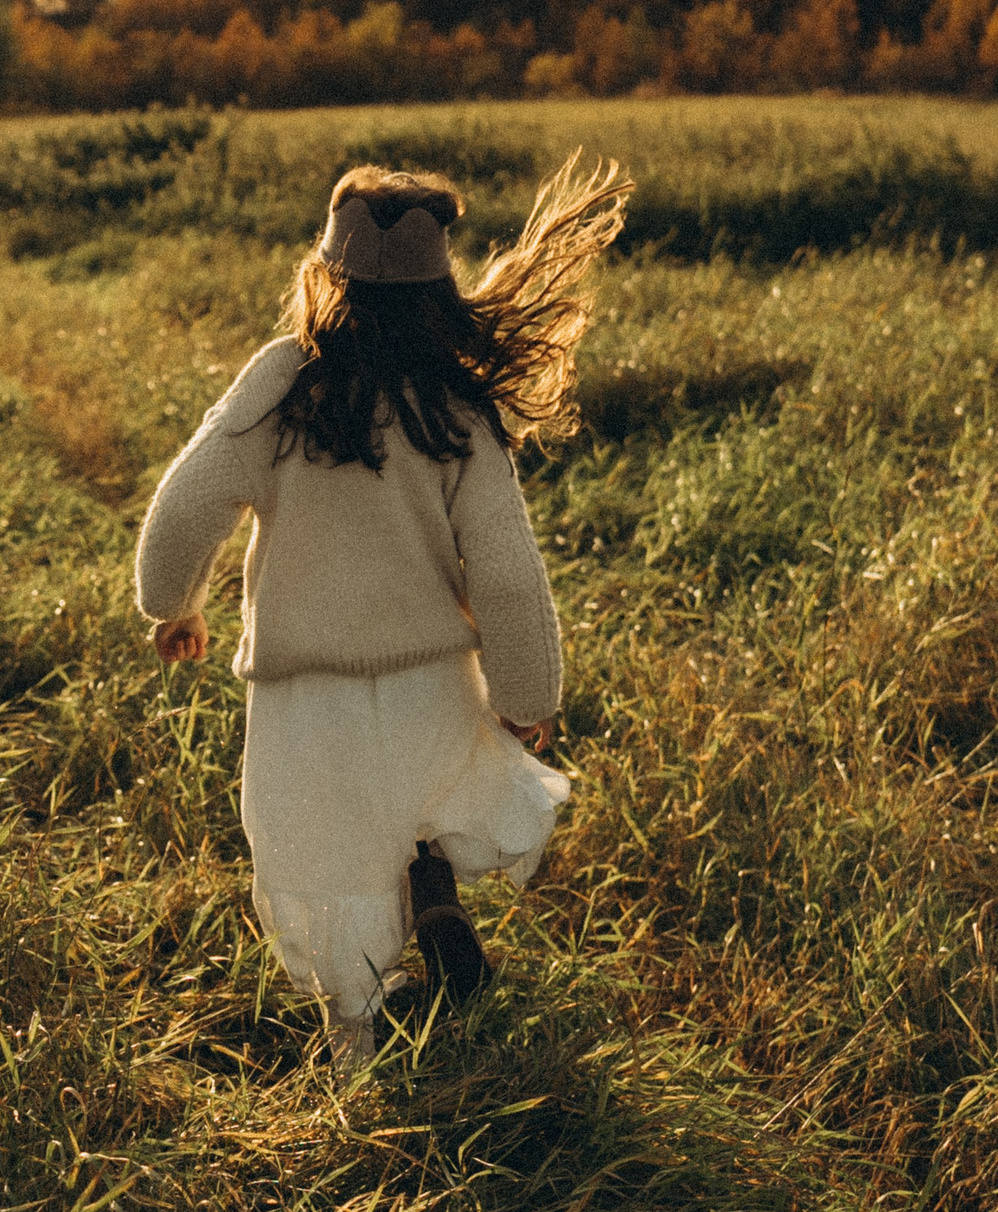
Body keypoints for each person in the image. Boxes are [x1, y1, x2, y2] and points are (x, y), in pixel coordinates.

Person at [135, 156, 628, 1067]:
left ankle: (357, 1039)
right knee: (418, 803)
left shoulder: (280, 383)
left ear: (322, 277)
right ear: (440, 294)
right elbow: (510, 573)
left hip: (304, 699)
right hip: (431, 684)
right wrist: (527, 693)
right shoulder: (454, 403)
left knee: (327, 863)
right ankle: (429, 876)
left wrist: (173, 604)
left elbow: (179, 511)